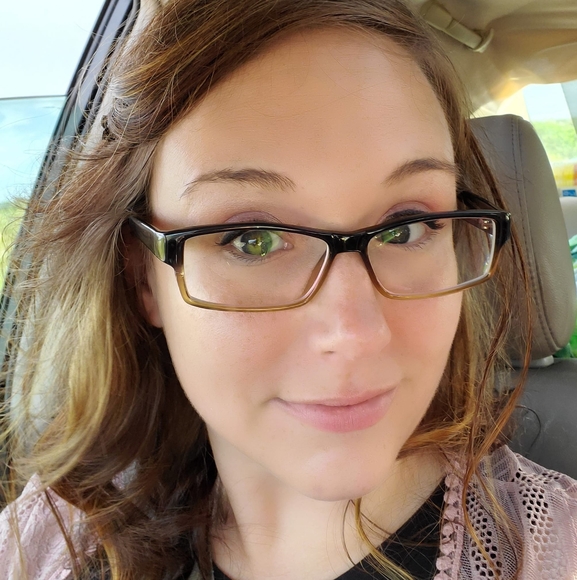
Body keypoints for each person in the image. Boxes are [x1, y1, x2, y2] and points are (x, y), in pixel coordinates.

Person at [1, 0, 576, 579]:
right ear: (143, 278)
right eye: (253, 240)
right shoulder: (43, 548)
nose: (354, 335)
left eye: (405, 228)